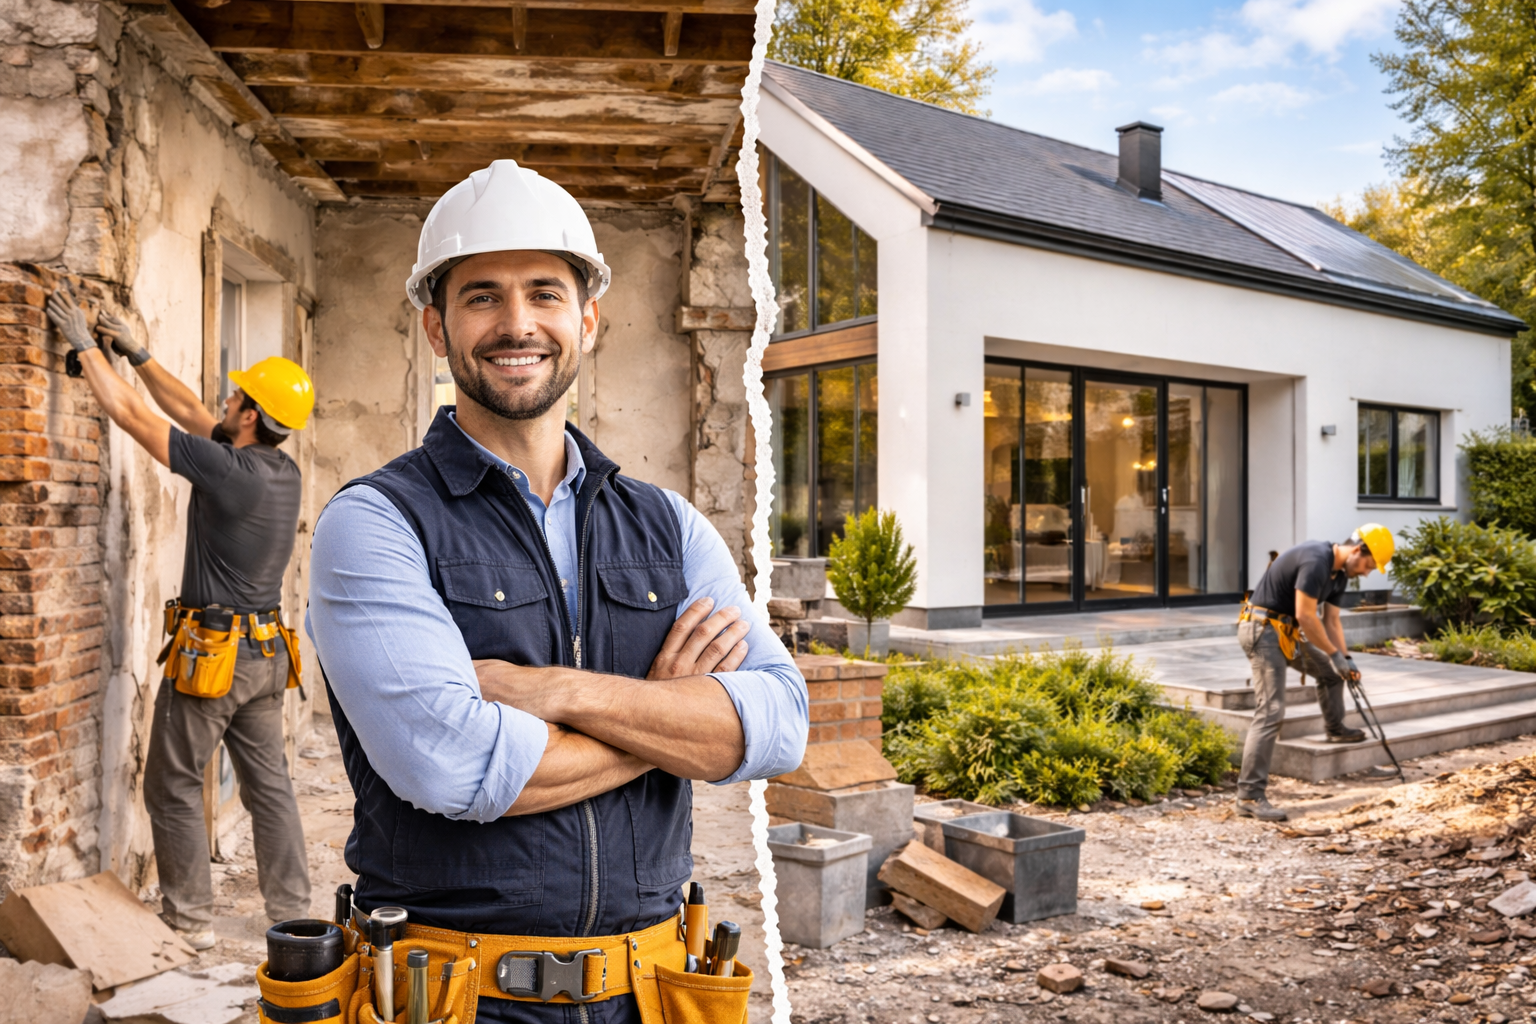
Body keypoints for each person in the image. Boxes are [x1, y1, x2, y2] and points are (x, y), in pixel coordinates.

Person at [305, 160, 807, 1024]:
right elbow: (453, 767)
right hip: (451, 998)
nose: (516, 323)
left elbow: (779, 725)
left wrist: (561, 692)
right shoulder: (376, 523)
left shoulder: (670, 524)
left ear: (588, 318)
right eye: (481, 297)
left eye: (544, 292)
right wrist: (672, 717)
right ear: (436, 327)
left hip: (647, 993)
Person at [43, 290, 316, 950]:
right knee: (268, 783)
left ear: (251, 416)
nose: (225, 401)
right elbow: (193, 414)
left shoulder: (228, 471)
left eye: (237, 398)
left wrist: (83, 344)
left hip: (215, 658)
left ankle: (189, 919)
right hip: (264, 654)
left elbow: (134, 416)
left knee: (172, 782)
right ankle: (293, 908)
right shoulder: (279, 470)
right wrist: (136, 353)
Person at [1235, 524, 1396, 821]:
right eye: (1368, 565)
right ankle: (1249, 795)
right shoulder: (1316, 560)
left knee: (1332, 674)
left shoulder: (1339, 576)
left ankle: (1335, 730)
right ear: (1358, 550)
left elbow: (1331, 621)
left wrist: (1345, 659)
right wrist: (1334, 654)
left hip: (1285, 633)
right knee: (1271, 710)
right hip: (1261, 630)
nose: (1366, 573)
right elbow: (1305, 615)